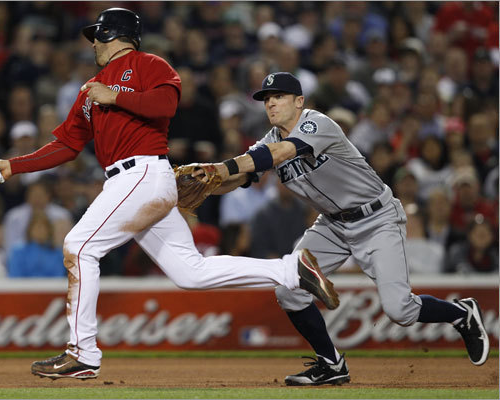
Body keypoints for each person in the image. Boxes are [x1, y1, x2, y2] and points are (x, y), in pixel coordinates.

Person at [0, 8, 334, 381]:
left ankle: (82, 353)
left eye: (97, 36)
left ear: (113, 35)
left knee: (79, 247)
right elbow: (67, 145)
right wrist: (14, 165)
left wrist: (114, 96)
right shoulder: (90, 90)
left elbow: (166, 105)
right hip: (129, 182)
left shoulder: (147, 64)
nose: (93, 44)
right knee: (190, 272)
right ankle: (291, 270)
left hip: (143, 173)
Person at [192, 71, 490, 386]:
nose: (271, 103)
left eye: (279, 96)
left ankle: (461, 314)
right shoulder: (270, 140)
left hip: (377, 218)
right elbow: (241, 176)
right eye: (266, 99)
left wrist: (221, 167)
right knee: (289, 290)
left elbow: (278, 155)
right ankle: (331, 364)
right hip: (332, 224)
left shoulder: (316, 124)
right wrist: (205, 184)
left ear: (299, 101)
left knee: (400, 310)